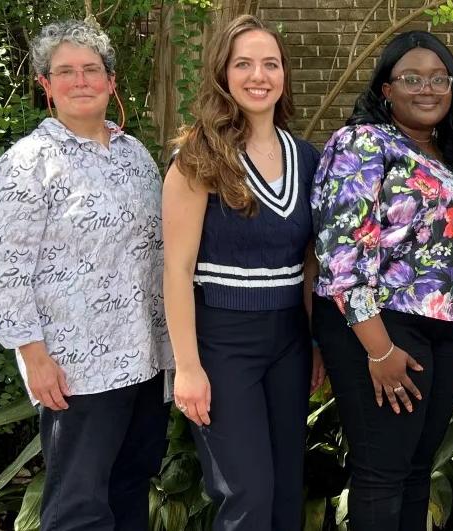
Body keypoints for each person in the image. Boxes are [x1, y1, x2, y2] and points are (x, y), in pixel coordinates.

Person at [0, 19, 171, 531]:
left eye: (91, 69)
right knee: (78, 506)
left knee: (132, 485)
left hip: (146, 359)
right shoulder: (28, 164)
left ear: (111, 81)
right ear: (45, 85)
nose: (80, 80)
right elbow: (5, 268)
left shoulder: (135, 157)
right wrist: (33, 355)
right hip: (77, 367)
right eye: (65, 71)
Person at [310, 30, 453, 531]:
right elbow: (339, 252)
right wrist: (378, 350)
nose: (427, 88)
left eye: (439, 78)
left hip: (447, 333)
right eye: (411, 78)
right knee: (383, 472)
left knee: (417, 471)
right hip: (380, 326)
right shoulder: (362, 143)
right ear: (387, 89)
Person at [161, 14, 323, 531]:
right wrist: (187, 367)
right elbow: (177, 268)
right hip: (222, 343)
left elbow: (310, 266)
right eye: (244, 64)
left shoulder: (308, 157)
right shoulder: (198, 160)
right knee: (245, 494)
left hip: (289, 341)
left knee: (283, 490)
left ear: (284, 75)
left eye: (270, 64)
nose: (259, 75)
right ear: (223, 74)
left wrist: (316, 342)